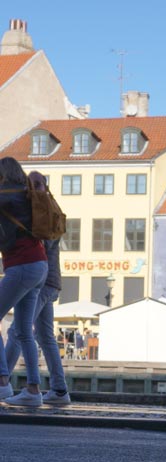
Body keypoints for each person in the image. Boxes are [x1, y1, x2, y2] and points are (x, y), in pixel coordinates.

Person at [5, 170, 71, 405]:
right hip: (50, 281)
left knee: (17, 330)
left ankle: (3, 383)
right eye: (30, 184)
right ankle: (60, 390)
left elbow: (43, 241)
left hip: (44, 281)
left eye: (36, 184)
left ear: (43, 186)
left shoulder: (43, 209)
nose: (32, 188)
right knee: (45, 336)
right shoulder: (45, 207)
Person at [0, 157, 48, 406]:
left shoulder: (6, 194)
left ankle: (2, 382)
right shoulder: (29, 195)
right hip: (40, 265)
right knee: (23, 331)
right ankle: (33, 390)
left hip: (21, 265)